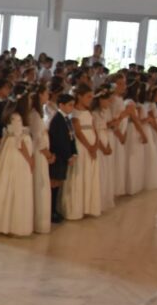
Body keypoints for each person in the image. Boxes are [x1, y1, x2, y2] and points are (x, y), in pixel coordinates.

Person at [0, 95, 35, 237]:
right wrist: (29, 159)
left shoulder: (17, 116)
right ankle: (9, 224)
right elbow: (19, 142)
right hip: (17, 155)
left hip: (15, 152)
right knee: (14, 184)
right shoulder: (16, 117)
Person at [62, 84, 102, 220]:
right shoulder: (75, 112)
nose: (91, 99)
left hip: (91, 144)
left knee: (90, 174)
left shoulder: (88, 111)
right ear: (80, 96)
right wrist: (89, 146)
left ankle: (88, 206)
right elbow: (78, 131)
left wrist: (96, 143)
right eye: (88, 96)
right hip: (82, 146)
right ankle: (76, 208)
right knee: (81, 174)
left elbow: (93, 127)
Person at [28, 88, 56, 232]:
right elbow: (39, 141)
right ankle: (39, 222)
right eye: (46, 93)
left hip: (41, 154)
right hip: (40, 155)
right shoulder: (35, 116)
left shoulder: (37, 114)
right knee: (41, 186)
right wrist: (49, 155)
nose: (48, 96)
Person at [48, 93, 76, 225]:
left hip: (63, 156)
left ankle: (54, 210)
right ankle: (51, 211)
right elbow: (59, 142)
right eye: (70, 105)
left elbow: (71, 137)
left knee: (58, 184)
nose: (72, 107)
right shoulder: (57, 119)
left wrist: (73, 152)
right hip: (58, 156)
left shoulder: (66, 119)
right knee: (53, 184)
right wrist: (68, 155)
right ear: (61, 105)